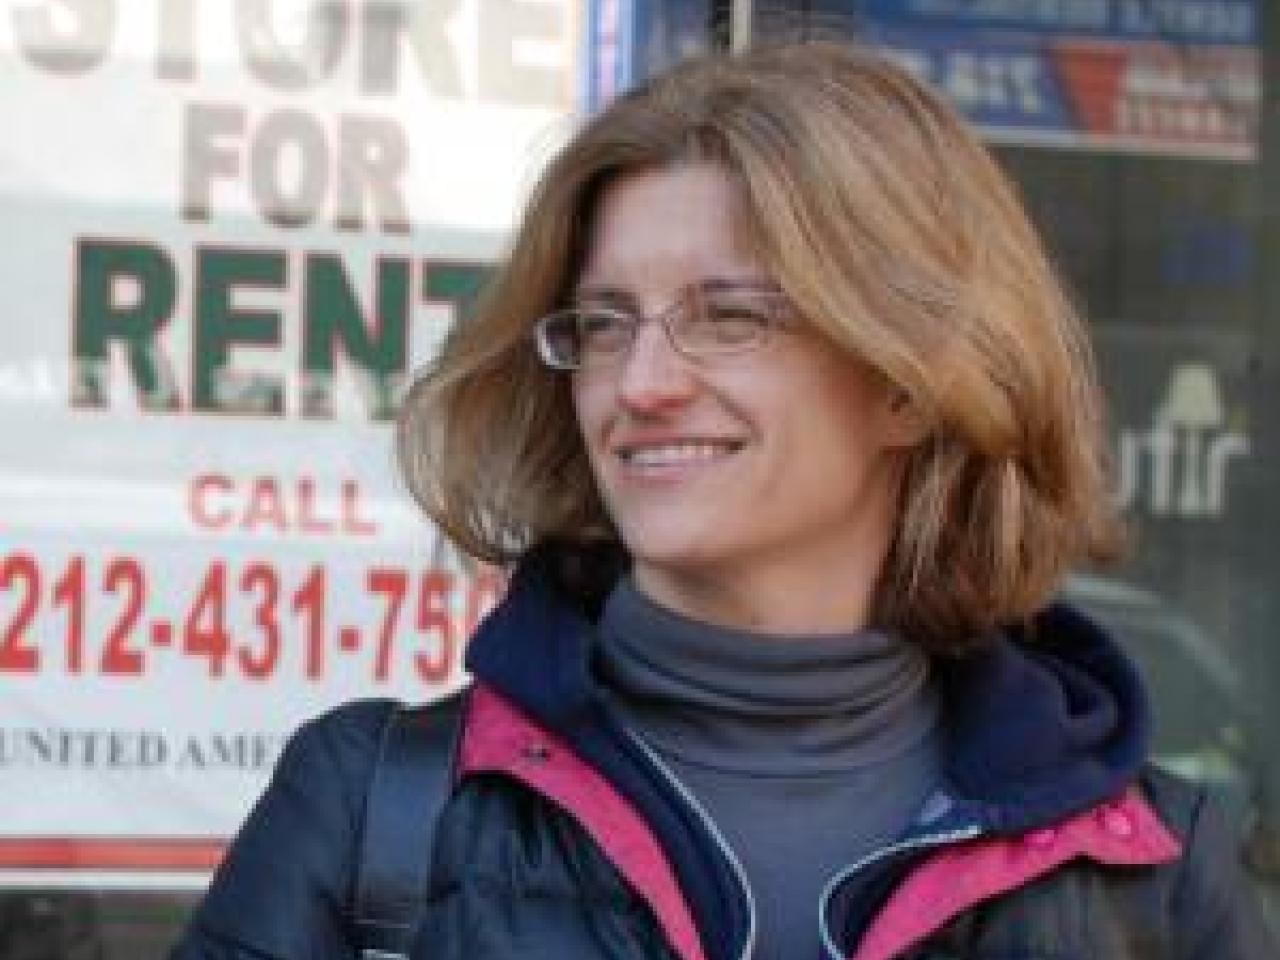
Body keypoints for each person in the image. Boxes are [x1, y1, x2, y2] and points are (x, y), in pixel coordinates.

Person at [170, 41, 1275, 960]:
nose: (640, 384)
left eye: (728, 315)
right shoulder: (374, 809)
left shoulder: (1151, 874)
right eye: (605, 322)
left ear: (906, 378)